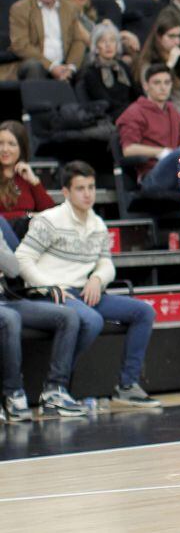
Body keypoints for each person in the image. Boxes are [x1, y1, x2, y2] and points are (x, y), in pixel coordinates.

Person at [16, 160, 160, 407]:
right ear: (66, 192)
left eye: (91, 187)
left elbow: (106, 263)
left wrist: (97, 278)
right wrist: (50, 286)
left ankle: (126, 386)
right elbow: (22, 258)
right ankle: (55, 386)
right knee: (91, 320)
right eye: (80, 188)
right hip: (53, 292)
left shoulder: (98, 225)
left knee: (143, 311)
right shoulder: (49, 219)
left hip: (84, 291)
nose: (88, 194)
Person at [117, 64, 180, 234]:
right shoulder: (134, 112)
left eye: (167, 83)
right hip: (151, 177)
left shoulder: (174, 112)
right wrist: (159, 152)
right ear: (146, 86)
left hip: (178, 173)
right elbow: (128, 150)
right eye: (157, 83)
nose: (163, 87)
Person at [0, 232, 85, 420]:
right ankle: (13, 394)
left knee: (68, 316)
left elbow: (13, 269)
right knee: (10, 318)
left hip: (5, 300)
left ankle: (54, 392)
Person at [9, 0, 87, 81]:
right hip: (37, 63)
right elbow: (20, 45)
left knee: (91, 61)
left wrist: (70, 67)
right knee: (33, 65)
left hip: (65, 63)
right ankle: (37, 99)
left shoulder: (70, 8)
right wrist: (51, 66)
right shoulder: (20, 9)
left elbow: (78, 40)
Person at [0, 121, 55, 239]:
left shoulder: (26, 177)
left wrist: (34, 181)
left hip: (28, 239)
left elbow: (51, 213)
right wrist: (27, 216)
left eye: (11, 144)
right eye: (0, 143)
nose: (5, 149)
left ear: (21, 147)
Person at [82, 22, 141, 121]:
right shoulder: (91, 72)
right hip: (112, 117)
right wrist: (133, 110)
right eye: (103, 41)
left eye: (112, 40)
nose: (108, 45)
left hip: (133, 112)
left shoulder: (122, 66)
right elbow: (106, 103)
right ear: (96, 47)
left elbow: (137, 92)